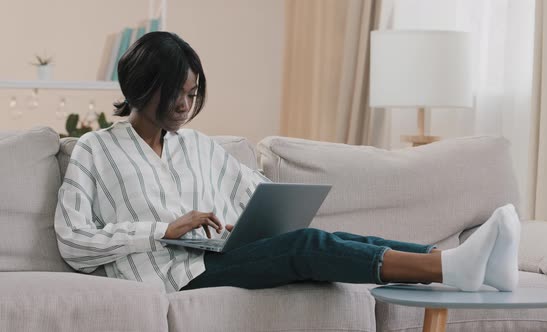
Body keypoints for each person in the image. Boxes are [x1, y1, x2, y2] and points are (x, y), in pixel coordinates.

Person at [54, 31, 521, 294]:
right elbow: (74, 242)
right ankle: (452, 270)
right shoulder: (93, 150)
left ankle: (457, 263)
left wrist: (243, 224)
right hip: (174, 279)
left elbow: (254, 192)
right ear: (141, 84)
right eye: (177, 92)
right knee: (308, 246)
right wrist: (162, 230)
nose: (185, 104)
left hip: (218, 258)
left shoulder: (196, 145)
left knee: (336, 238)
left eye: (193, 94)